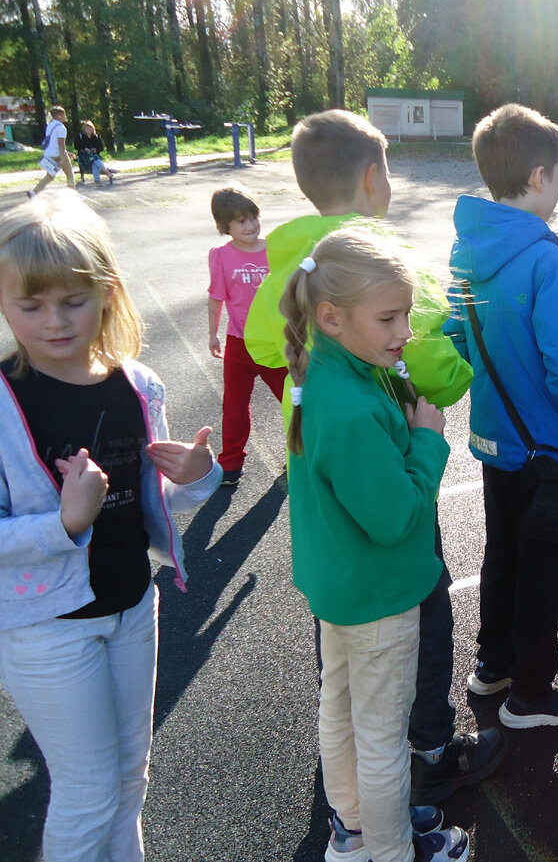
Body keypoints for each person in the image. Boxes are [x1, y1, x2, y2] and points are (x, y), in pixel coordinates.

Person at [242, 110, 502, 804]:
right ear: (372, 176)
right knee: (424, 616)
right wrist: (432, 387)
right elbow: (438, 370)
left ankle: (346, 769)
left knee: (339, 642)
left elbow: (262, 343)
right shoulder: (375, 263)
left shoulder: (296, 266)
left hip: (325, 493)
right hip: (385, 463)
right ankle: (431, 750)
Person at [0, 193, 221, 862]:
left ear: (106, 291)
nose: (53, 320)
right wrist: (63, 523)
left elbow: (148, 498)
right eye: (30, 305)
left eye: (72, 299)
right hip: (44, 628)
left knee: (129, 779)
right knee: (88, 790)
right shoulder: (7, 400)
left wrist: (200, 473)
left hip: (132, 606)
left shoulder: (137, 383)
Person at [281, 226, 470, 862]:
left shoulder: (321, 373)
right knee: (384, 737)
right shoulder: (355, 404)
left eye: (406, 314)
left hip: (338, 588)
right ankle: (392, 850)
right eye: (389, 317)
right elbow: (396, 518)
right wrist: (427, 439)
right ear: (331, 318)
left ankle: (353, 830)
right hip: (380, 596)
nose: (404, 331)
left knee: (338, 710)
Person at [444, 103, 558, 728]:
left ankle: (494, 663)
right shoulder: (546, 262)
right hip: (545, 444)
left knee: (502, 552)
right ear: (539, 176)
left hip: (494, 440)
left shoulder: (465, 249)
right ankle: (532, 693)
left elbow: (457, 335)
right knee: (545, 569)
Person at [207, 185, 287, 486]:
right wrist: (213, 334)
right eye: (241, 221)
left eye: (253, 217)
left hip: (273, 343)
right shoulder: (221, 257)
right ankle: (230, 463)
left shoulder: (276, 250)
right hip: (238, 344)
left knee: (293, 401)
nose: (251, 225)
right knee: (234, 406)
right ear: (225, 226)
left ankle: (299, 456)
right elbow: (216, 297)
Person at [30, 105, 75, 196]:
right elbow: (60, 144)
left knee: (50, 175)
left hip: (49, 153)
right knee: (69, 173)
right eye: (64, 114)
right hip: (58, 153)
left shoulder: (50, 126)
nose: (65, 116)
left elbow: (52, 142)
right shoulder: (61, 128)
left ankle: (34, 192)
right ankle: (73, 194)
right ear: (59, 115)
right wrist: (62, 158)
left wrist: (67, 152)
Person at [74, 120, 117, 187]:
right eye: (87, 128)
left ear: (93, 128)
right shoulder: (80, 136)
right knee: (95, 160)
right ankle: (106, 172)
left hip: (94, 156)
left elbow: (101, 147)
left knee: (95, 162)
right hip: (84, 157)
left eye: (90, 128)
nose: (88, 129)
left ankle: (97, 181)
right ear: (84, 129)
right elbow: (76, 146)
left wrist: (95, 150)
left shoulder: (96, 137)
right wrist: (85, 149)